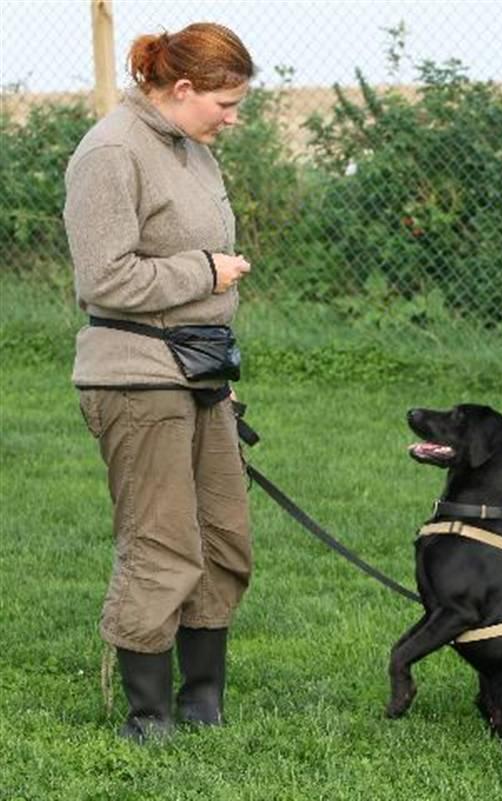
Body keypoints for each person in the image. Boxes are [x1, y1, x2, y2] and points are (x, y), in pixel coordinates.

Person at [63, 22, 255, 743]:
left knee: (224, 534)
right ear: (181, 89)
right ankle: (148, 715)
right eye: (225, 104)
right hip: (136, 377)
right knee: (162, 540)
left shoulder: (194, 150)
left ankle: (202, 698)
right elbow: (104, 276)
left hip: (201, 372)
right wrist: (204, 270)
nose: (233, 119)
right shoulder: (111, 152)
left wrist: (223, 376)